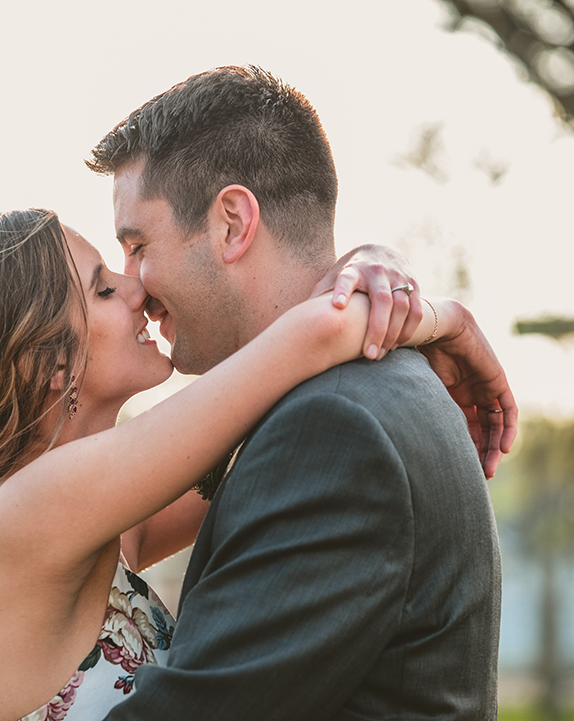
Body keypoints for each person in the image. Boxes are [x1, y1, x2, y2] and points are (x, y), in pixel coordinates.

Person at [0, 207, 496, 721]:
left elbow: (276, 433)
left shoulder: (90, 523)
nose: (137, 289)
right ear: (48, 365)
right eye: (104, 289)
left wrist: (369, 267)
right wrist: (445, 319)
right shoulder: (29, 512)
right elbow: (317, 337)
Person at [86, 66, 513, 720]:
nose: (135, 285)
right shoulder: (331, 399)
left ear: (232, 222)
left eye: (138, 245)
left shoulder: (335, 427)